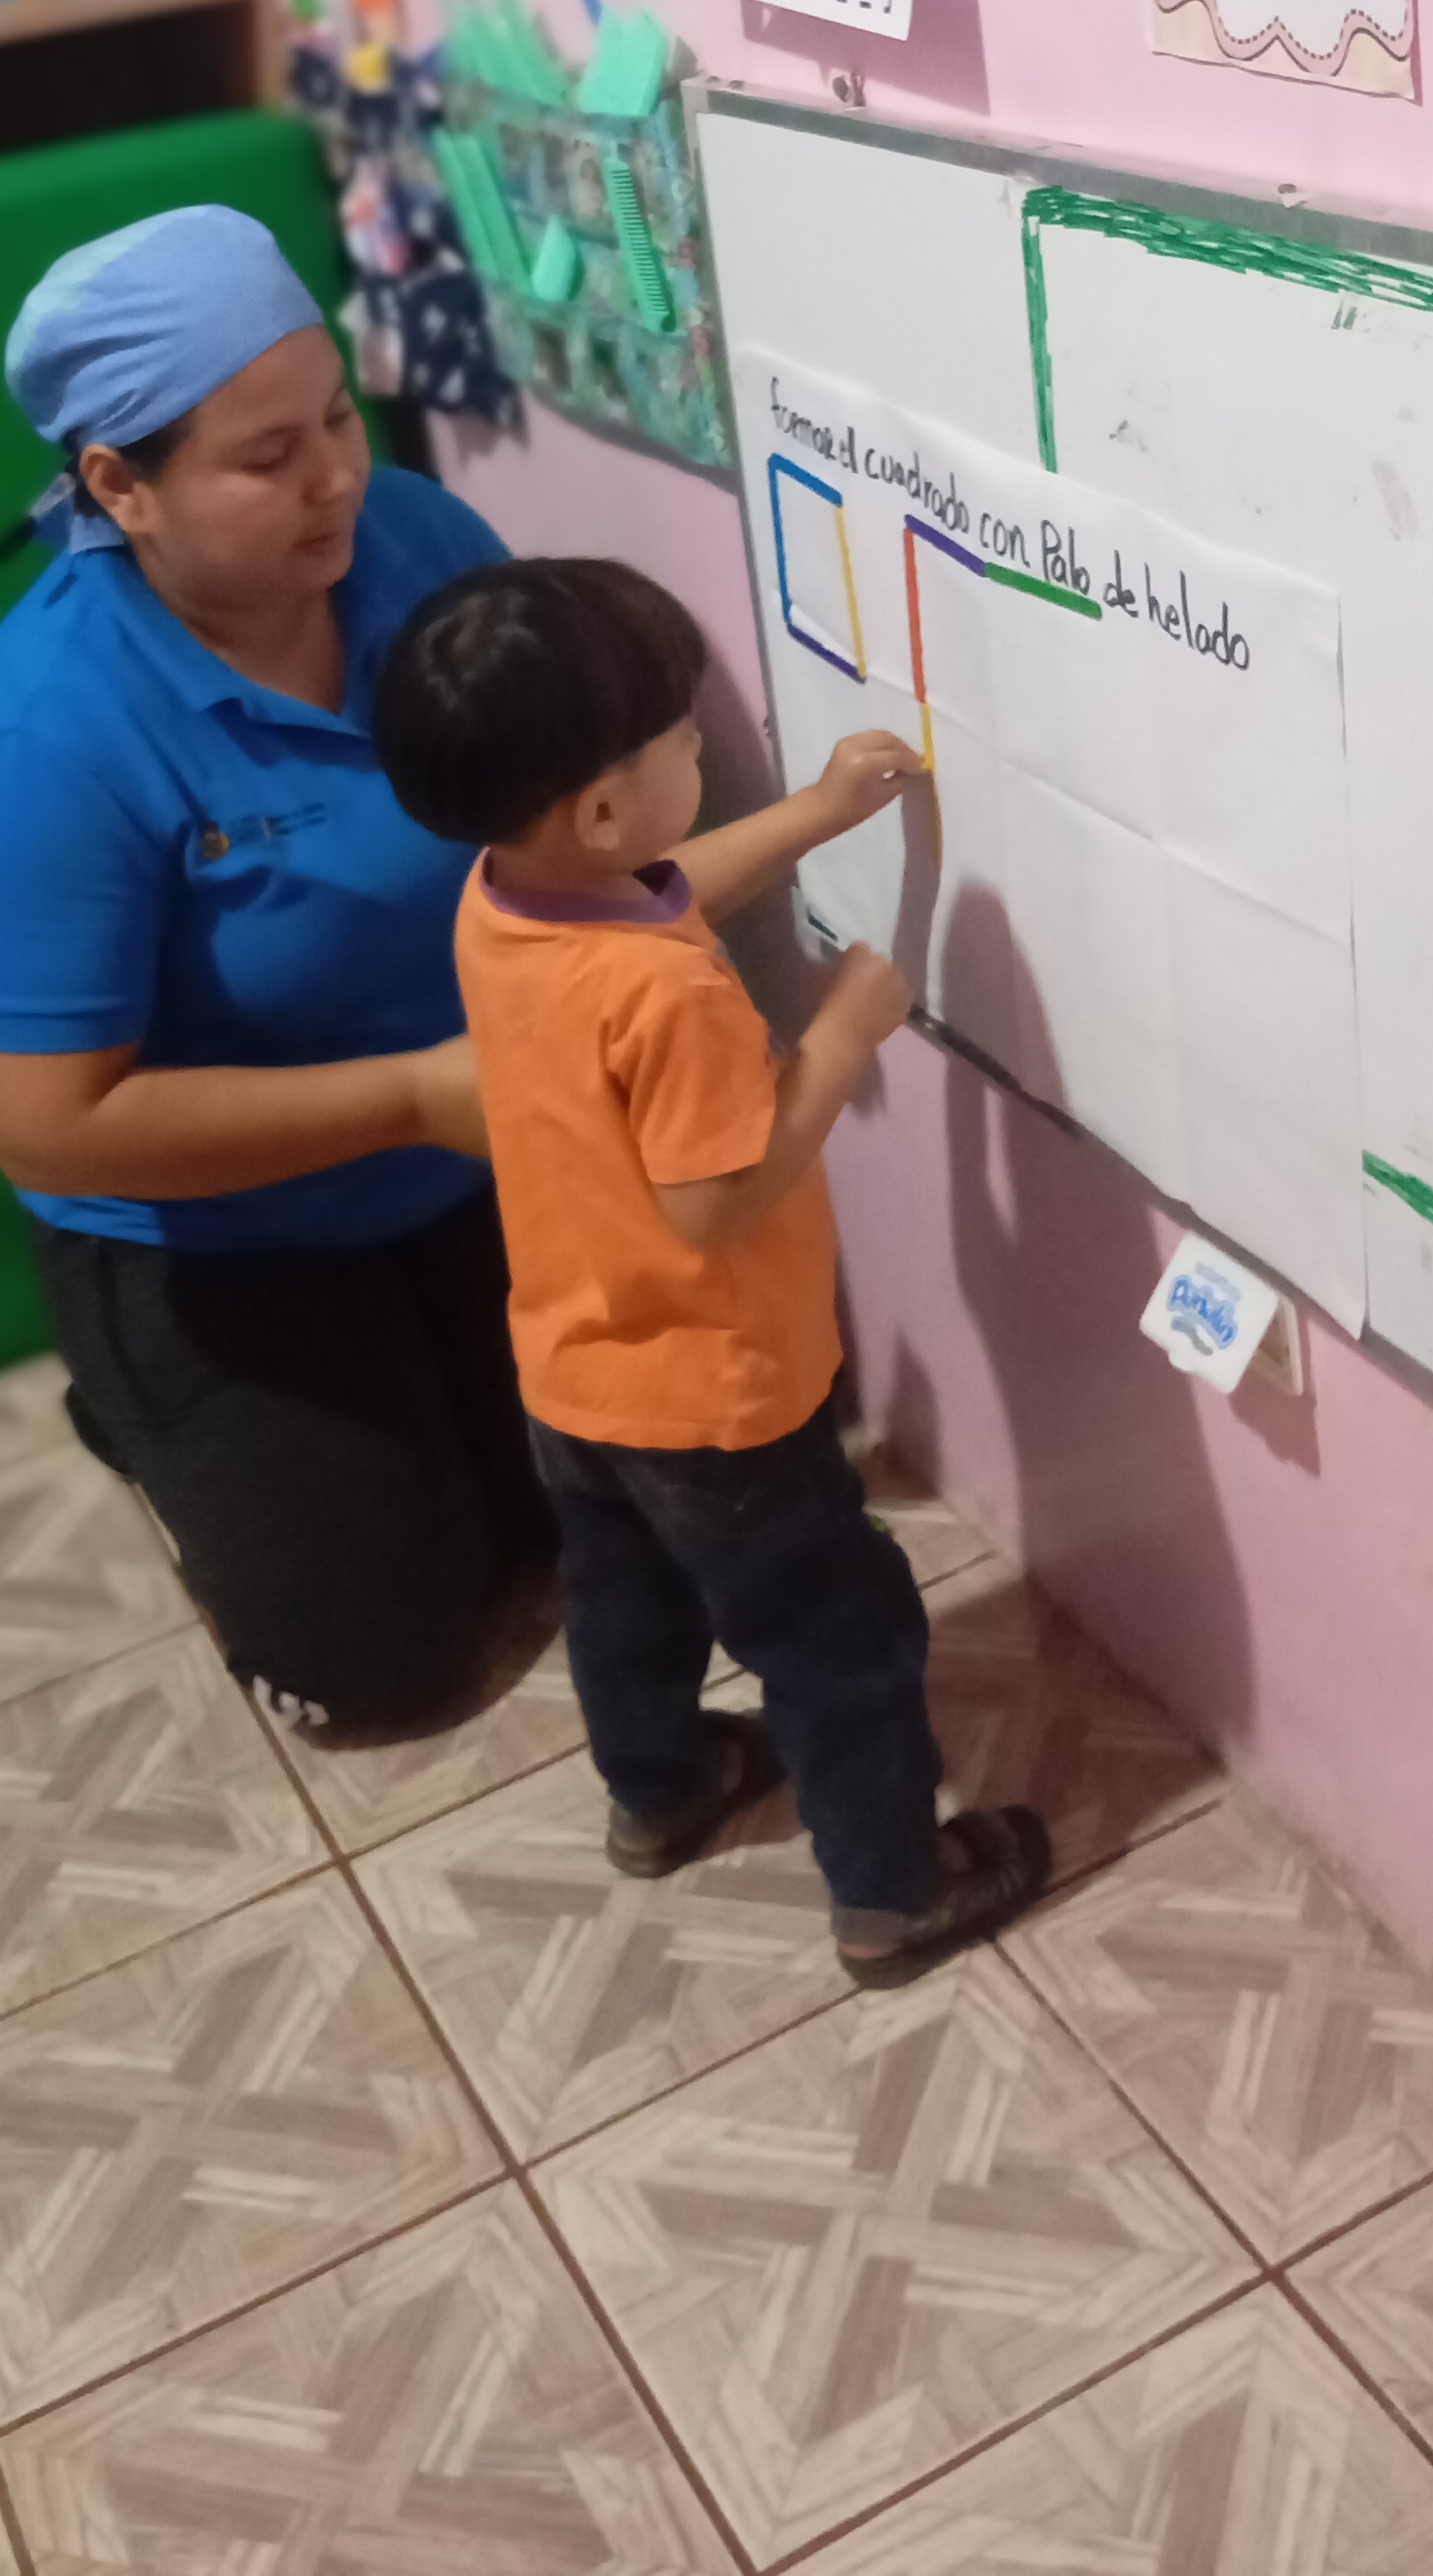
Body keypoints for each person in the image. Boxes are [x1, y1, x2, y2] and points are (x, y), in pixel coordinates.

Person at [0, 206, 544, 1733]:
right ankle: (144, 1403)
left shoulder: (420, 547)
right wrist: (416, 1096)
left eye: (339, 417)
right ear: (118, 486)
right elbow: (50, 1127)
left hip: (467, 1148)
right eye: (268, 458)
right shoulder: (35, 749)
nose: (337, 479)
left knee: (613, 1501)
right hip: (219, 1239)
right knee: (383, 1661)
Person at [374, 556, 1051, 1986]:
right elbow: (716, 1201)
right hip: (718, 1397)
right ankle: (893, 1894)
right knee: (838, 1634)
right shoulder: (667, 994)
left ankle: (663, 1789)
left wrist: (818, 813)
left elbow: (671, 886)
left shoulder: (504, 902)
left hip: (575, 1369)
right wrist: (842, 1036)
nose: (702, 748)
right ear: (600, 810)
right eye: (683, 739)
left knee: (625, 1598)